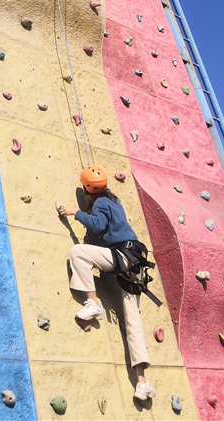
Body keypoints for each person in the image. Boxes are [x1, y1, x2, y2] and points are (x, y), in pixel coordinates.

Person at [59, 164, 156, 401]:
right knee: (133, 321)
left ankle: (93, 303)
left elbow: (98, 225)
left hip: (121, 256)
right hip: (134, 261)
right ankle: (142, 382)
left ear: (87, 190)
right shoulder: (113, 200)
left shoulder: (101, 202)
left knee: (78, 252)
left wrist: (74, 212)